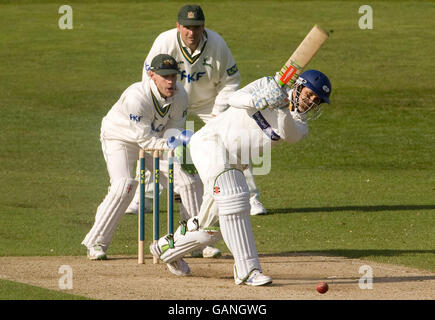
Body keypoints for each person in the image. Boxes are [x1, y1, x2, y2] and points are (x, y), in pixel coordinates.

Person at [150, 70, 332, 285]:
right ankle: (247, 270)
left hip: (234, 162)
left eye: (316, 100)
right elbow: (234, 98)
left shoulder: (300, 125)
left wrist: (281, 106)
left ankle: (165, 249)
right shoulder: (268, 84)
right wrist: (259, 98)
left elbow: (288, 134)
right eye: (309, 94)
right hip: (211, 142)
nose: (310, 102)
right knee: (235, 196)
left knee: (209, 229)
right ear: (299, 86)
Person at [126, 5, 267, 238]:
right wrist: (158, 102)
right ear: (178, 26)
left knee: (233, 140)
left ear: (204, 26)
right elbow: (149, 78)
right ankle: (147, 198)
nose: (192, 32)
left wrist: (218, 114)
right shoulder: (164, 42)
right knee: (159, 142)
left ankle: (250, 197)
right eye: (187, 27)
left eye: (197, 27)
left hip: (208, 102)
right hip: (170, 99)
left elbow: (231, 81)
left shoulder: (217, 44)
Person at [82, 54, 203, 274]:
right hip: (120, 137)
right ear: (152, 76)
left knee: (189, 180)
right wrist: (175, 143)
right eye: (164, 76)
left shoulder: (181, 96)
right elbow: (145, 141)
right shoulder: (137, 97)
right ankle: (96, 243)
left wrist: (183, 152)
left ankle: (195, 240)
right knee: (124, 186)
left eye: (173, 76)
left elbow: (173, 133)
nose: (170, 81)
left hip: (157, 139)